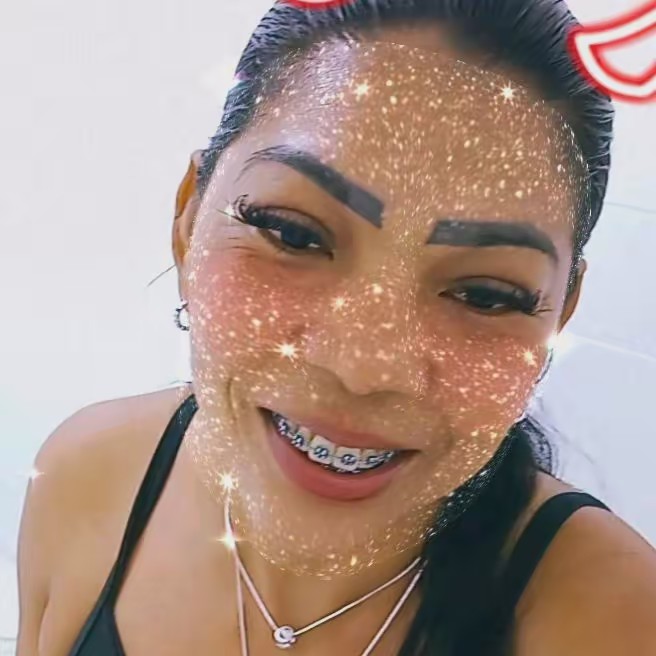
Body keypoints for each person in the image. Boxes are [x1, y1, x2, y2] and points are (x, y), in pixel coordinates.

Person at [16, 1, 656, 655]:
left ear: (558, 314)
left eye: (484, 295)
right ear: (189, 221)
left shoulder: (618, 622)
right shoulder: (87, 477)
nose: (362, 367)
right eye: (293, 235)